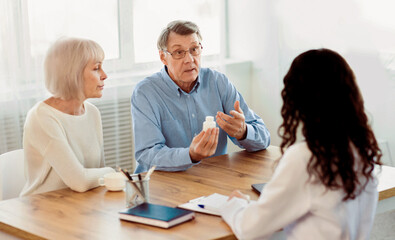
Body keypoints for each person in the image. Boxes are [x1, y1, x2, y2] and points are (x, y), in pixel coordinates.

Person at [220, 49, 382, 239]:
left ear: (299, 100)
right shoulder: (361, 151)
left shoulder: (305, 157)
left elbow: (250, 229)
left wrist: (235, 205)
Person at [131, 20, 270, 173]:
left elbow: (264, 137)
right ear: (163, 57)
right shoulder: (146, 92)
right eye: (179, 52)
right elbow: (147, 153)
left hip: (212, 181)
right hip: (164, 186)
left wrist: (243, 132)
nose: (189, 59)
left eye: (194, 49)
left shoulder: (218, 82)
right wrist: (190, 155)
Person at [20, 37, 115, 196]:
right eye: (96, 68)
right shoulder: (42, 117)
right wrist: (112, 172)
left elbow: (98, 177)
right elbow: (80, 181)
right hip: (42, 210)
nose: (104, 75)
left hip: (80, 204)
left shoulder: (92, 113)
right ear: (73, 74)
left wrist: (109, 175)